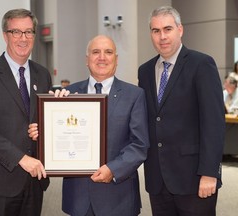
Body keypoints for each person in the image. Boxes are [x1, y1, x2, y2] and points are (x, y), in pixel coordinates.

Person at [29, 35, 150, 216]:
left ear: (116, 60)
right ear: (87, 60)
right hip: (78, 199)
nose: (102, 57)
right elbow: (56, 137)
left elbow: (140, 145)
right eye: (95, 52)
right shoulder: (67, 94)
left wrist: (113, 169)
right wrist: (42, 131)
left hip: (118, 198)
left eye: (108, 52)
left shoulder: (135, 95)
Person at [138, 6, 225, 216]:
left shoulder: (201, 64)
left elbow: (213, 123)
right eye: (155, 31)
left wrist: (209, 173)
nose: (162, 36)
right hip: (158, 180)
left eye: (167, 29)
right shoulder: (146, 70)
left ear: (180, 30)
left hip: (194, 179)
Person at [0, 8, 52, 216]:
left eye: (28, 32)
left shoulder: (43, 74)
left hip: (34, 181)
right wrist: (21, 158)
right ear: (5, 35)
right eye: (16, 32)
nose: (23, 38)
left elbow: (44, 118)